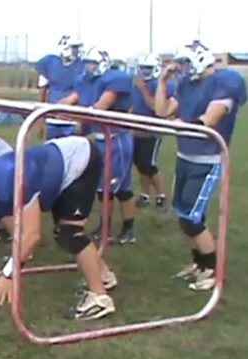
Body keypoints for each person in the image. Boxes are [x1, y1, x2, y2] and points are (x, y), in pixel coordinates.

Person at [0, 135, 117, 320]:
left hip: (80, 158)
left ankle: (100, 298)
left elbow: (32, 235)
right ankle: (103, 275)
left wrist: (8, 274)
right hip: (56, 164)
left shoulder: (12, 179)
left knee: (69, 234)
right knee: (65, 233)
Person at [154, 41, 246, 291]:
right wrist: (163, 82)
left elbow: (208, 120)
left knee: (191, 219)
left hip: (208, 158)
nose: (182, 69)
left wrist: (181, 122)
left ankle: (213, 270)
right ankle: (199, 264)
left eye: (185, 62)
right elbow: (162, 111)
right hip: (186, 156)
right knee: (186, 214)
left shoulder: (225, 81)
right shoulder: (186, 84)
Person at [59, 46, 137, 245]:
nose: (89, 67)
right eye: (88, 63)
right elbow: (72, 99)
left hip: (117, 139)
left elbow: (100, 107)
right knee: (108, 188)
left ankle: (123, 229)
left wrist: (73, 115)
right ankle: (108, 227)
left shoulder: (114, 80)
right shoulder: (86, 81)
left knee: (114, 189)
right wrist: (54, 108)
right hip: (101, 138)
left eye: (93, 63)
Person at [131, 53, 173, 211]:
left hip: (153, 130)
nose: (145, 71)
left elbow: (155, 108)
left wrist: (143, 90)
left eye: (148, 68)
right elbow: (134, 105)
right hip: (137, 129)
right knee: (140, 163)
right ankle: (145, 194)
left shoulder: (159, 84)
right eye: (143, 68)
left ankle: (161, 195)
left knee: (149, 164)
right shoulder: (137, 83)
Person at [35, 35, 85, 140]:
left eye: (77, 47)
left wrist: (81, 120)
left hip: (72, 120)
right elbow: (42, 91)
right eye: (74, 47)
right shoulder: (50, 63)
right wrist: (40, 119)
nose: (76, 51)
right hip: (52, 119)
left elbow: (84, 93)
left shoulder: (82, 66)